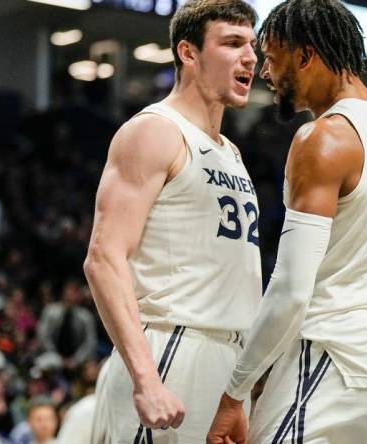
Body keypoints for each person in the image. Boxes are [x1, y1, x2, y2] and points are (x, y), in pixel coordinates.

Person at [208, 1, 367, 442]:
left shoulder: (323, 139)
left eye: (272, 60)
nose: (266, 74)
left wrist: (234, 393)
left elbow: (292, 289)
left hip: (334, 363)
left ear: (306, 56)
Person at [83, 0, 261, 442]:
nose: (250, 57)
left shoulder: (231, 153)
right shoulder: (155, 131)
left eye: (252, 45)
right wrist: (146, 379)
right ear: (189, 52)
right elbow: (104, 258)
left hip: (226, 356)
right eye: (233, 43)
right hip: (170, 349)